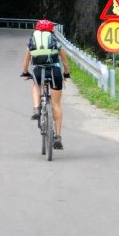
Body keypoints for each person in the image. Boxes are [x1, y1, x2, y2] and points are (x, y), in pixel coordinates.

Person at [21, 19, 71, 149]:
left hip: (38, 71)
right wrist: (66, 72)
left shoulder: (32, 40)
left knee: (36, 85)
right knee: (56, 104)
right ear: (51, 30)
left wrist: (25, 72)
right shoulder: (54, 40)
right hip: (55, 71)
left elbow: (26, 60)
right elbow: (64, 60)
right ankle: (58, 137)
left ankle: (37, 108)